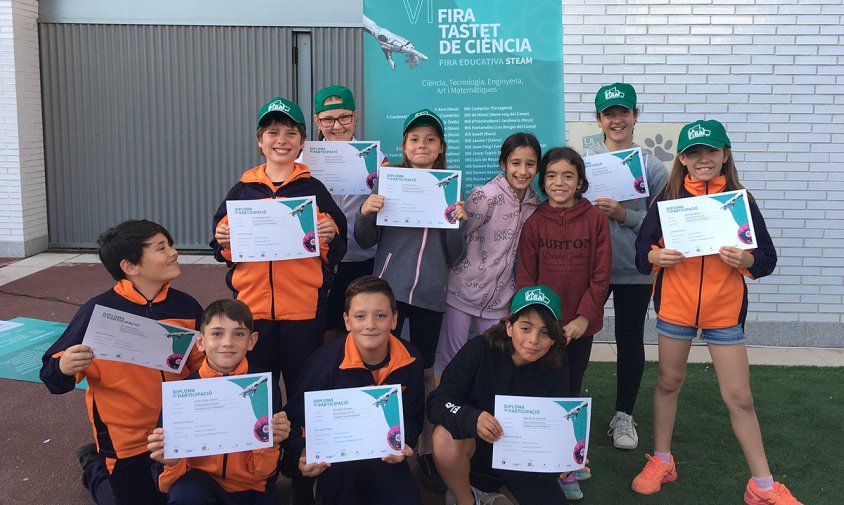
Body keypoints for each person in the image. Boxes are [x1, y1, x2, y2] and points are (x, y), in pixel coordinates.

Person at [631, 120, 801, 505]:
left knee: (739, 397)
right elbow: (642, 256)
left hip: (723, 313)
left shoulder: (741, 200)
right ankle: (662, 460)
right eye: (694, 152)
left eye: (711, 151)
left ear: (725, 154)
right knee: (668, 383)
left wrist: (746, 258)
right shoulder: (668, 199)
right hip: (675, 308)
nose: (703, 159)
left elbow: (766, 260)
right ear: (682, 158)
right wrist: (657, 256)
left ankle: (761, 484)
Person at [40, 219, 205, 505]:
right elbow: (52, 376)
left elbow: (201, 368)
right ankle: (94, 466)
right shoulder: (98, 312)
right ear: (130, 266)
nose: (174, 252)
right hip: (126, 445)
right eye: (161, 247)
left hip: (180, 434)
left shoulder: (187, 307)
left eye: (170, 244)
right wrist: (65, 365)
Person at [210, 96, 348, 412]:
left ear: (301, 142)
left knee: (304, 388)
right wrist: (222, 239)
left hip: (304, 312)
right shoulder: (242, 190)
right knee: (259, 390)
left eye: (290, 133)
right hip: (253, 311)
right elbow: (223, 250)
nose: (281, 141)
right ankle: (266, 456)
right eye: (273, 133)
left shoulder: (314, 189)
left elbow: (339, 247)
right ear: (260, 141)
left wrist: (329, 236)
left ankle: (298, 453)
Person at [355, 108, 466, 489]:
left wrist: (457, 221)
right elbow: (367, 240)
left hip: (431, 294)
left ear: (440, 148)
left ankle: (421, 447)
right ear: (403, 146)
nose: (422, 145)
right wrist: (367, 213)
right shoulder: (387, 184)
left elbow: (456, 255)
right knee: (379, 364)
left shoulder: (450, 188)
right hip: (389, 291)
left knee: (424, 370)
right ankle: (371, 435)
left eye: (430, 139)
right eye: (415, 139)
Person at [515, 147, 611, 501]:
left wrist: (584, 316)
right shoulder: (535, 222)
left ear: (580, 181)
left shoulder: (595, 219)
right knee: (543, 391)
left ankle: (568, 463)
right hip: (545, 328)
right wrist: (541, 325)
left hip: (581, 326)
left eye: (568, 176)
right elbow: (526, 275)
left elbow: (602, 274)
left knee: (571, 388)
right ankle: (546, 461)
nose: (559, 182)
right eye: (552, 176)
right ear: (543, 181)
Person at [282, 275, 425, 505]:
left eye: (380, 316)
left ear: (394, 319)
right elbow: (293, 420)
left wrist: (403, 441)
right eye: (360, 316)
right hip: (337, 464)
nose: (370, 325)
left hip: (384, 458)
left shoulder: (411, 359)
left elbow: (413, 417)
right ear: (347, 321)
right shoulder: (322, 364)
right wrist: (301, 453)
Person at [428, 285, 570, 505]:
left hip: (522, 456)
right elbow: (439, 402)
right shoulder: (479, 350)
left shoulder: (556, 366)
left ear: (554, 338)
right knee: (444, 436)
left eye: (544, 332)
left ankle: (491, 494)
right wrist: (471, 418)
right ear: (509, 326)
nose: (533, 339)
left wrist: (565, 454)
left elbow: (558, 424)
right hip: (473, 451)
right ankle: (466, 499)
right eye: (526, 328)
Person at [587, 82, 669, 450]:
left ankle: (624, 416)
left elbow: (665, 223)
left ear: (636, 116)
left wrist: (625, 215)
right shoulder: (584, 163)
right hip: (590, 267)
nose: (616, 119)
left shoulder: (653, 168)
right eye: (609, 114)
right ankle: (568, 407)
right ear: (599, 120)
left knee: (630, 340)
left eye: (623, 112)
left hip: (635, 268)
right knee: (577, 337)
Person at [147, 299, 291, 505]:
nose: (227, 342)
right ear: (200, 342)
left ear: (252, 341)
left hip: (251, 488)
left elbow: (263, 473)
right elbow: (165, 484)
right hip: (201, 486)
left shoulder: (262, 387)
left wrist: (273, 443)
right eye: (217, 333)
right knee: (185, 495)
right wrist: (172, 461)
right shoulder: (182, 392)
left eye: (239, 334)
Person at [438, 132, 542, 371]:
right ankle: (447, 405)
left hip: (500, 301)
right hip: (461, 293)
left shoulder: (534, 205)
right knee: (452, 360)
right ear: (503, 164)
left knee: (498, 361)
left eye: (530, 164)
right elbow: (458, 237)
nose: (523, 171)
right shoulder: (485, 196)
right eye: (516, 163)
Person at [311, 85, 380, 343]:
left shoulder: (376, 160)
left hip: (363, 259)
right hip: (320, 261)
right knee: (325, 333)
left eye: (344, 117)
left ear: (356, 116)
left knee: (359, 332)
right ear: (317, 120)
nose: (337, 126)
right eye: (328, 119)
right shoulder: (303, 162)